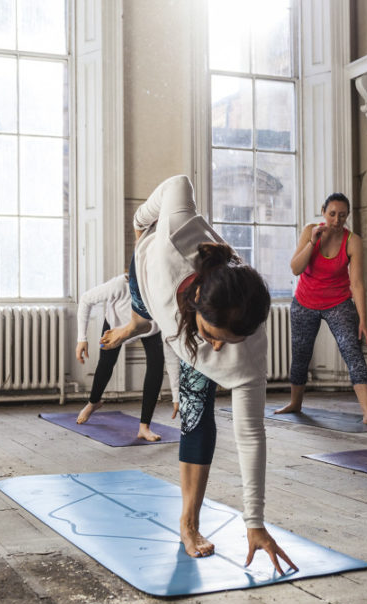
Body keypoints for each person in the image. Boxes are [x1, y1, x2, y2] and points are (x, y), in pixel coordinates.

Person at [100, 174, 297, 575]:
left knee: (196, 417)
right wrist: (141, 223)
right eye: (213, 336)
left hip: (176, 322)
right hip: (146, 273)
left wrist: (254, 521)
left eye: (231, 341)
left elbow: (251, 436)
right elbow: (178, 182)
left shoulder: (248, 349)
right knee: (145, 318)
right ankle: (135, 324)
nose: (221, 349)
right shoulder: (174, 241)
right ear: (195, 304)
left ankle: (188, 524)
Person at [274, 193, 367, 427]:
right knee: (301, 355)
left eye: (342, 215)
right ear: (323, 211)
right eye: (332, 214)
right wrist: (312, 242)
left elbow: (356, 283)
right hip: (305, 302)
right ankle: (295, 403)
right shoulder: (310, 231)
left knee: (352, 352)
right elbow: (295, 268)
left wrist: (363, 320)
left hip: (338, 303)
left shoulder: (352, 241)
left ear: (347, 216)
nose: (337, 220)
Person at [75, 273, 180, 441]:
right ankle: (93, 402)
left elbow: (171, 352)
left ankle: (144, 427)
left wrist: (176, 395)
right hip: (114, 326)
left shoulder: (163, 301)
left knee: (156, 366)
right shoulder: (120, 285)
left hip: (149, 331)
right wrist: (82, 339)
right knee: (106, 364)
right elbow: (86, 299)